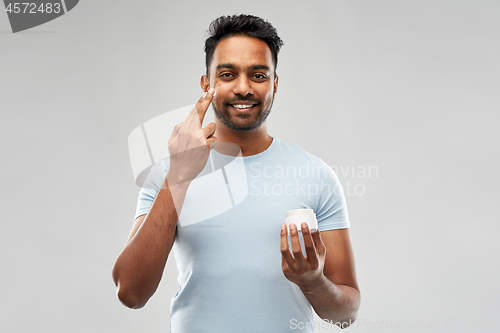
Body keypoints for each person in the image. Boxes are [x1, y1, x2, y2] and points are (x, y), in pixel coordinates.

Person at [112, 14, 360, 332]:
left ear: (275, 83)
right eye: (228, 74)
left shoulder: (315, 174)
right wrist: (179, 175)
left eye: (258, 75)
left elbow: (345, 315)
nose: (243, 88)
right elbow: (130, 293)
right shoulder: (171, 171)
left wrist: (312, 281)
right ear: (207, 85)